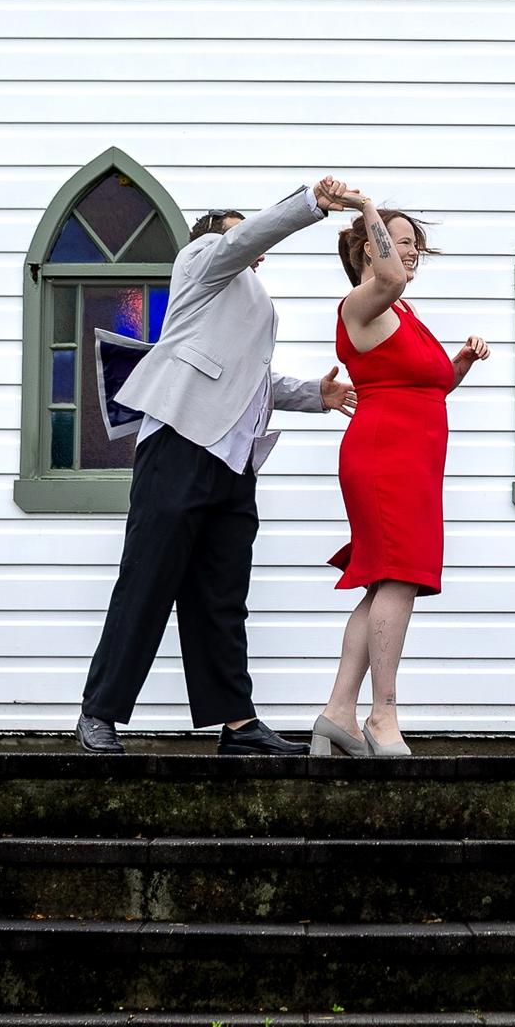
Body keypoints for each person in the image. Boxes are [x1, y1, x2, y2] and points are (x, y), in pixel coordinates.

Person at [75, 179, 356, 756]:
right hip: (178, 445)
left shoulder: (242, 300)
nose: (256, 248)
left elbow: (252, 380)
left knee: (222, 597)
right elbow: (239, 241)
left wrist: (314, 394)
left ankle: (237, 724)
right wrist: (309, 206)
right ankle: (98, 713)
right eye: (242, 233)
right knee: (147, 583)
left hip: (234, 463)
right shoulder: (201, 259)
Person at [311, 187, 488, 760]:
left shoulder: (404, 315)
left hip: (414, 460)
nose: (411, 251)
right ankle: (382, 714)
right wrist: (366, 207)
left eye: (416, 243)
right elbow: (388, 277)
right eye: (401, 240)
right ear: (370, 247)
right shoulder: (361, 304)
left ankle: (338, 712)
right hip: (383, 457)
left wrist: (460, 362)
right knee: (398, 576)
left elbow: (430, 386)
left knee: (384, 581)